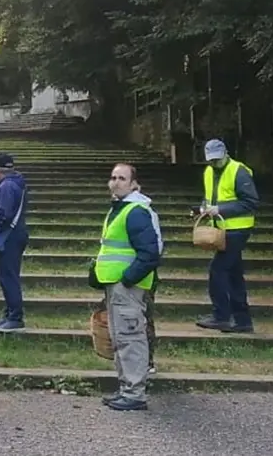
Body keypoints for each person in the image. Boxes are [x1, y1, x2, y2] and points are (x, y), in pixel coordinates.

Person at [95, 163, 162, 411]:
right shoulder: (121, 209)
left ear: (134, 184)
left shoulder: (135, 211)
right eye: (113, 177)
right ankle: (127, 389)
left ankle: (134, 393)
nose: (116, 182)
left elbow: (150, 253)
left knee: (131, 338)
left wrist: (127, 279)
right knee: (122, 338)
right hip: (118, 285)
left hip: (128, 287)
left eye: (122, 178)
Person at [197, 139, 259, 333]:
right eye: (211, 160)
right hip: (224, 231)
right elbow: (210, 198)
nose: (214, 163)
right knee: (233, 275)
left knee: (218, 271)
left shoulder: (239, 171)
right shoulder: (209, 172)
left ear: (226, 154)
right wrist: (202, 208)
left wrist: (220, 209)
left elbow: (251, 202)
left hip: (238, 230)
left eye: (217, 159)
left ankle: (221, 316)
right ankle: (242, 321)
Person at [0, 152, 29, 333]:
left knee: (8, 278)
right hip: (14, 236)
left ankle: (15, 317)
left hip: (8, 238)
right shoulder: (15, 184)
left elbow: (4, 212)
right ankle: (10, 313)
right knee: (8, 277)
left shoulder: (8, 187)